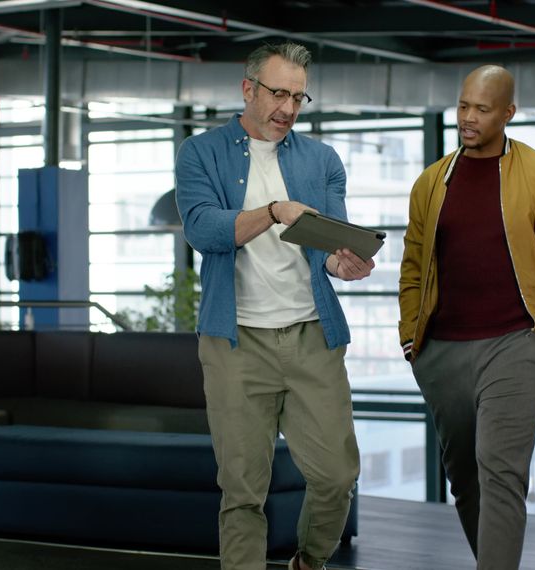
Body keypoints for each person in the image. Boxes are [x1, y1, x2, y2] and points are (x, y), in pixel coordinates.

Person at [175, 42, 375, 570]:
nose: (288, 108)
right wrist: (273, 210)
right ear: (248, 89)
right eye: (278, 93)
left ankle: (309, 561)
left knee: (336, 474)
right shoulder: (201, 153)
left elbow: (328, 246)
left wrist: (343, 264)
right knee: (243, 491)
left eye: (298, 96)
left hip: (311, 336)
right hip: (235, 341)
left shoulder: (322, 160)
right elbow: (204, 230)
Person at [398, 64, 535, 569]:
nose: (467, 118)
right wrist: (410, 341)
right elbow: (412, 266)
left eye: (481, 109)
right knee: (464, 479)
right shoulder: (431, 182)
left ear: (508, 113)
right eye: (463, 105)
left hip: (516, 343)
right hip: (442, 351)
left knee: (501, 473)